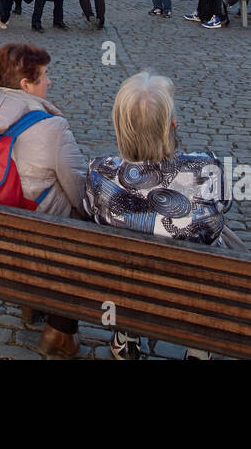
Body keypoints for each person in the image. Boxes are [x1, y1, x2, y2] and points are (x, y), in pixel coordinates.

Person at [84, 71, 232, 360]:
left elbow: (91, 212)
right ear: (172, 126)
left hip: (126, 283)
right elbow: (224, 205)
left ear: (119, 126)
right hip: (192, 286)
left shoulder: (98, 172)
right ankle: (200, 347)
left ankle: (126, 333)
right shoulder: (206, 169)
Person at [0, 43, 87, 357]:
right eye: (44, 76)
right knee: (87, 227)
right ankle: (59, 329)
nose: (50, 82)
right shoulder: (52, 128)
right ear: (26, 86)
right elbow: (81, 193)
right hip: (35, 237)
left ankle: (30, 300)